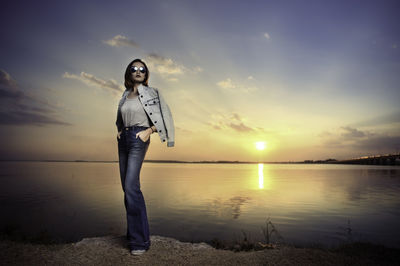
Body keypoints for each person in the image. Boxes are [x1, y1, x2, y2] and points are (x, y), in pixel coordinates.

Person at [116, 58, 175, 256]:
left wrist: (149, 131)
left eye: (142, 69)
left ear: (146, 74)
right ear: (129, 73)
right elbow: (120, 117)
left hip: (139, 138)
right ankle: (135, 234)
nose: (138, 71)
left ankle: (140, 241)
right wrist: (119, 130)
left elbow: (165, 115)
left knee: (132, 187)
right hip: (123, 138)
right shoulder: (125, 95)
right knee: (127, 187)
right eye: (134, 69)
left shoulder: (153, 93)